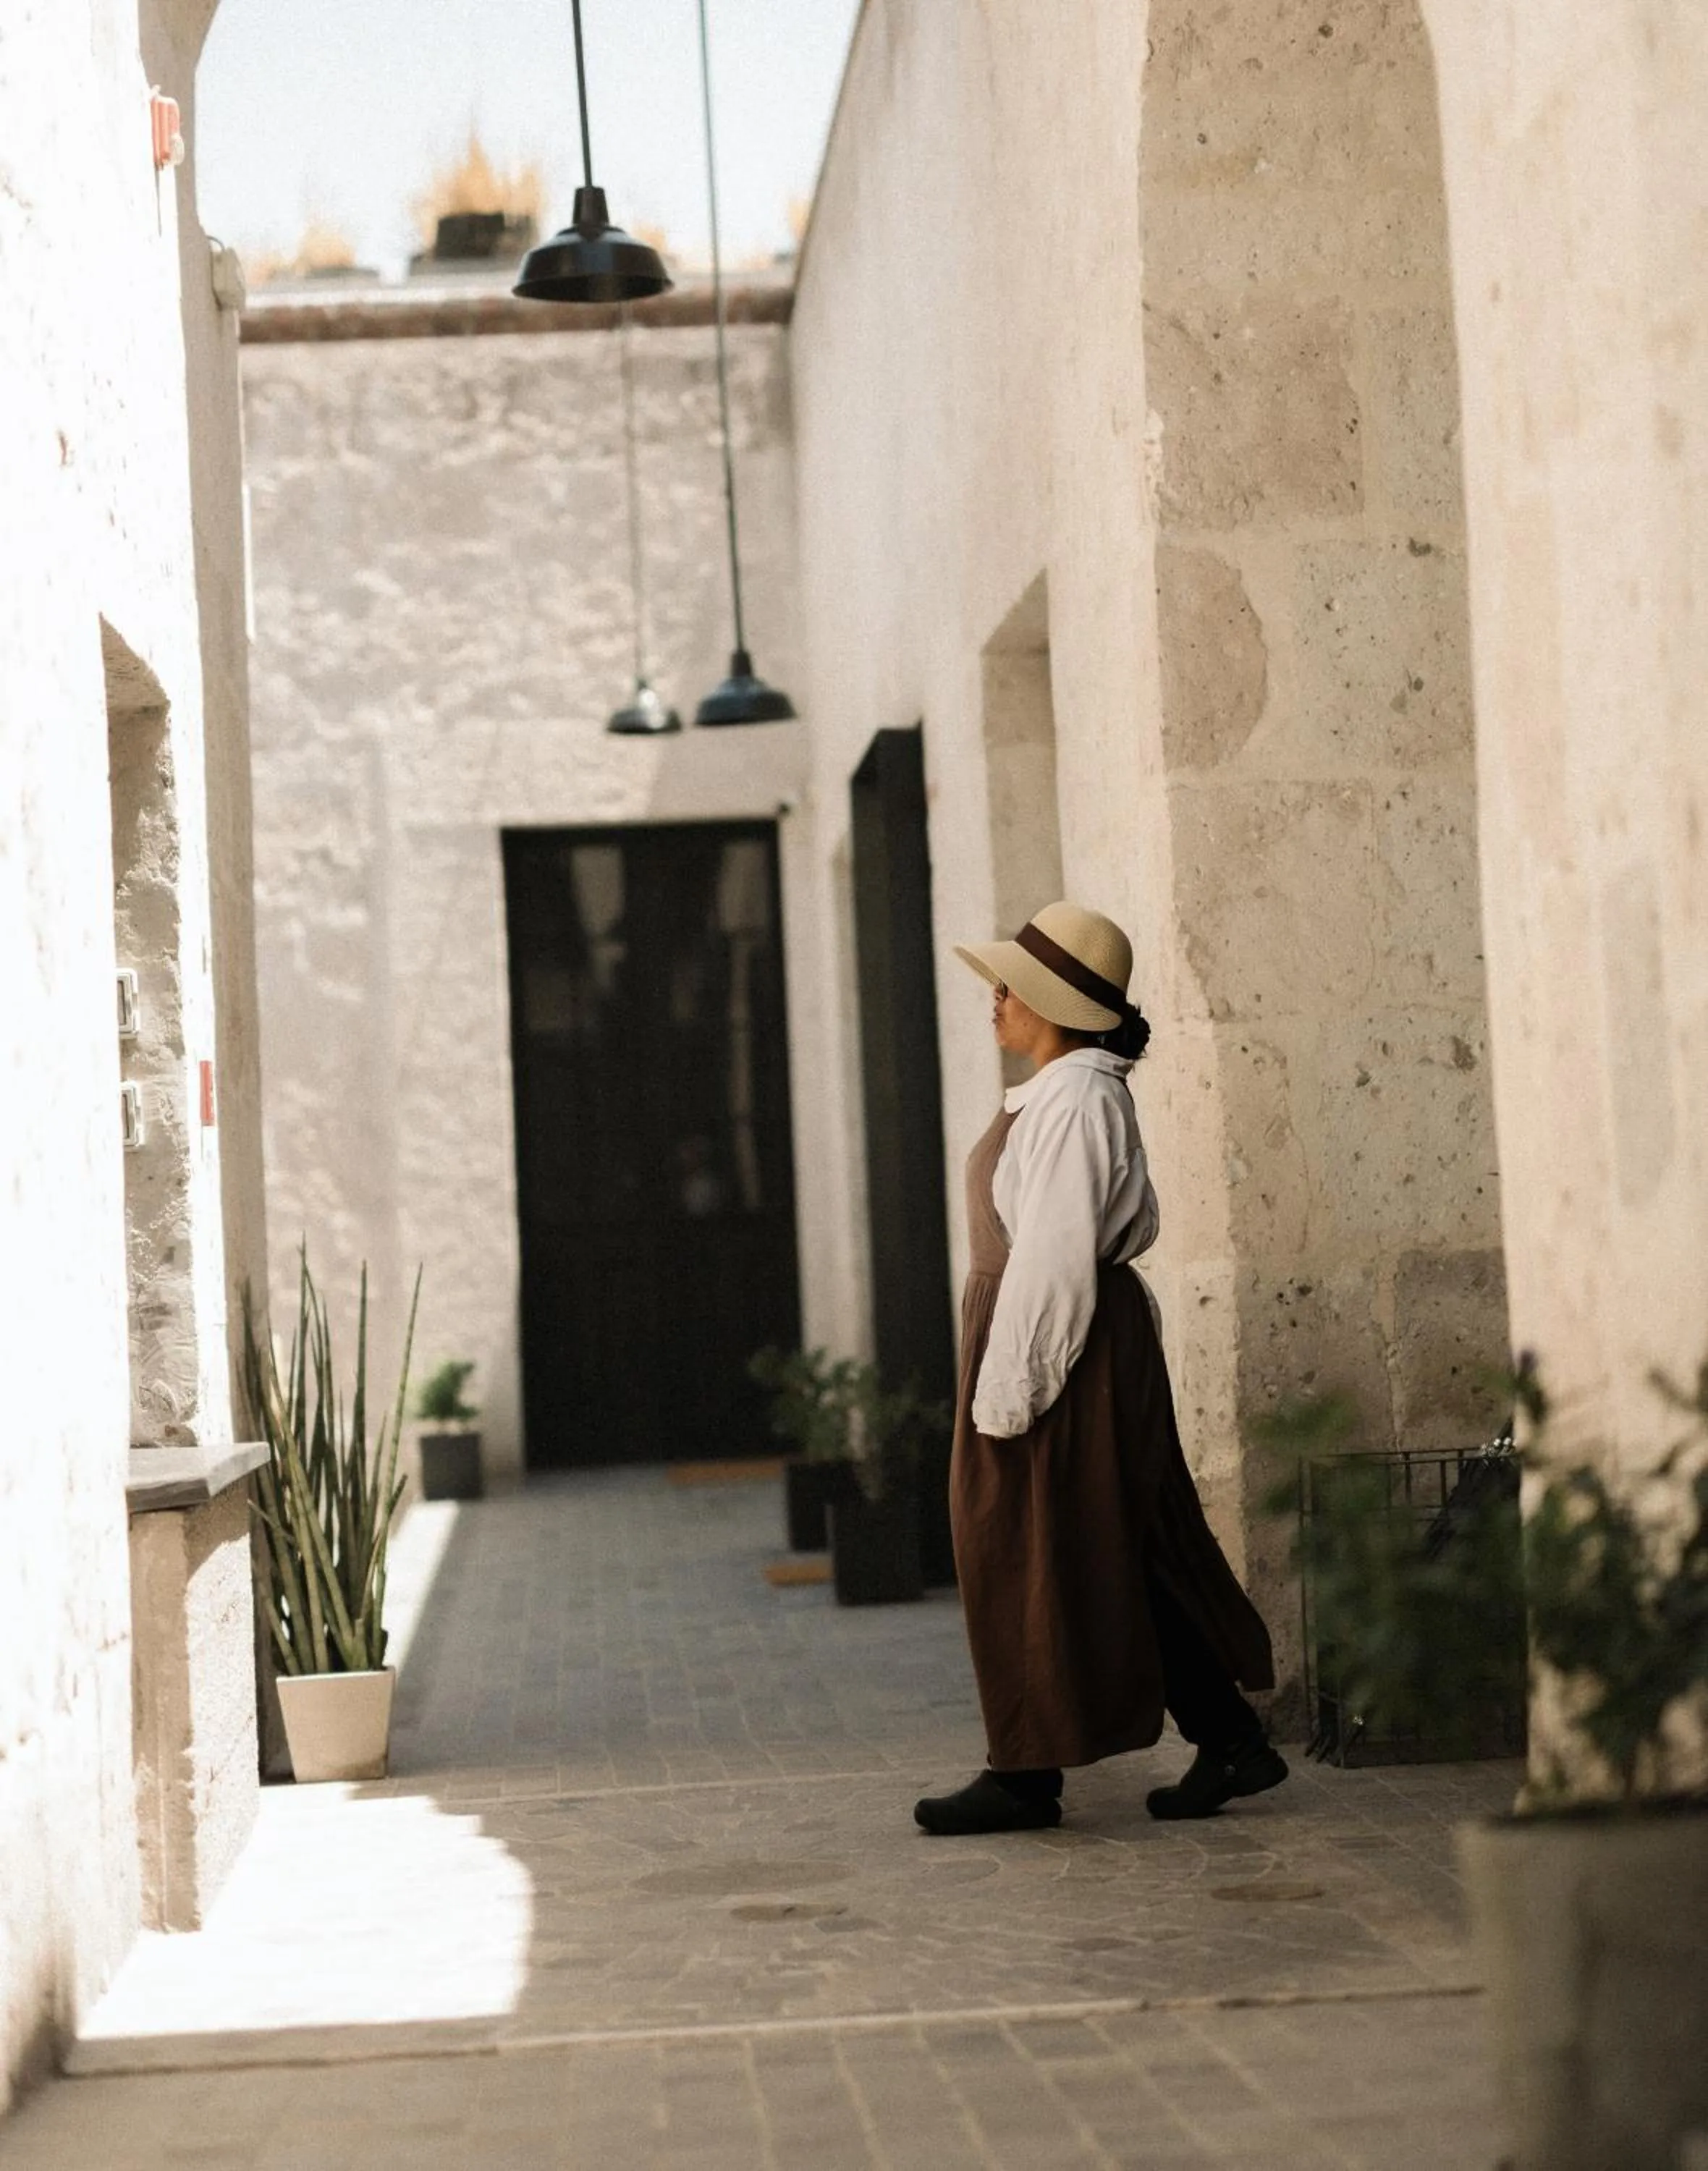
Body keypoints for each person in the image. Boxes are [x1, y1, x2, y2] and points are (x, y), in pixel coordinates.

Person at [914, 900, 1285, 1836]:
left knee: (1025, 1544)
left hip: (1057, 1348)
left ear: (1056, 1003)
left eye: (1012, 987)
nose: (995, 999)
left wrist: (1011, 1393)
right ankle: (1229, 1739)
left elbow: (1053, 1256)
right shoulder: (1063, 1093)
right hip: (1058, 1340)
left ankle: (1026, 1773)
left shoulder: (1078, 1101)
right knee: (1110, 1543)